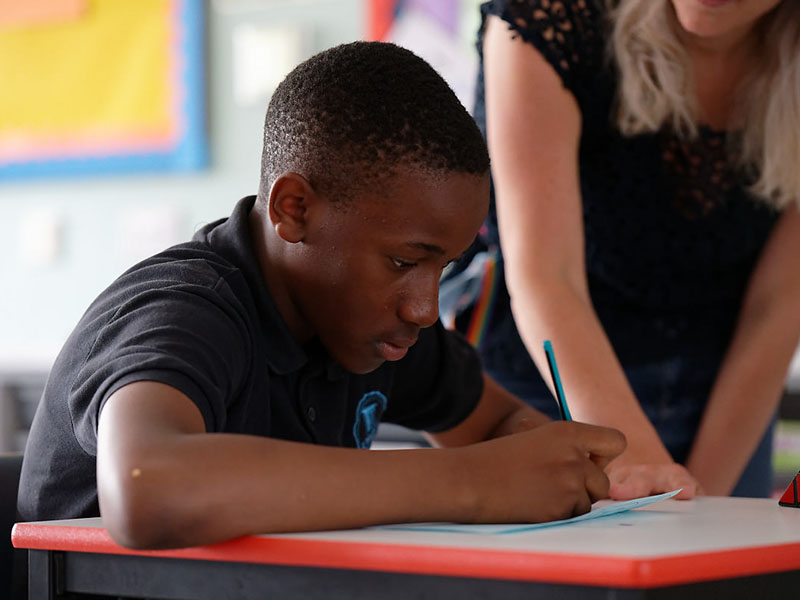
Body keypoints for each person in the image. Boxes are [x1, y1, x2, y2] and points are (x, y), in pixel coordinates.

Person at [17, 41, 626, 550]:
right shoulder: (183, 312)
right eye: (404, 262)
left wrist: (548, 463)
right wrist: (472, 483)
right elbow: (147, 489)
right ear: (294, 210)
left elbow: (497, 424)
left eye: (444, 267)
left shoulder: (369, 325)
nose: (424, 307)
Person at [449, 0, 800, 500]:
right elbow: (548, 277)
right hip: (546, 375)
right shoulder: (548, 18)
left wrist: (700, 502)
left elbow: (777, 309)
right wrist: (645, 472)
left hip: (726, 396)